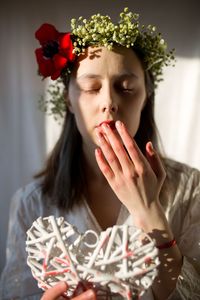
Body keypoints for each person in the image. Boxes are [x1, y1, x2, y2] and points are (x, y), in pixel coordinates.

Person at [0, 7, 200, 300]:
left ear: (146, 97)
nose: (108, 102)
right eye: (91, 87)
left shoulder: (190, 189)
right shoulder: (32, 203)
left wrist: (149, 211)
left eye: (126, 87)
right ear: (68, 100)